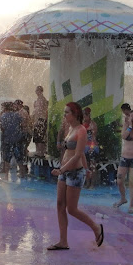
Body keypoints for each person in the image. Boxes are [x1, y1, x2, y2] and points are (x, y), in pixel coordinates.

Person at [48, 102, 103, 250]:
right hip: (65, 172)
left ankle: (96, 227)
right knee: (60, 205)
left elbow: (78, 154)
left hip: (74, 173)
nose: (64, 115)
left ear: (75, 114)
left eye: (67, 112)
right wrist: (66, 169)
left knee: (71, 209)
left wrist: (63, 169)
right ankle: (63, 241)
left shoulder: (81, 131)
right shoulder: (70, 128)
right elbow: (77, 153)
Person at [113, 109, 133, 213]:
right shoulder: (126, 125)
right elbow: (123, 136)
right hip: (124, 157)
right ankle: (123, 198)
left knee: (132, 181)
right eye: (131, 116)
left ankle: (131, 205)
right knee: (119, 180)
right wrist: (130, 126)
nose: (132, 118)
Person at [82, 107, 100, 189]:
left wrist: (92, 148)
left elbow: (93, 138)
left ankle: (92, 184)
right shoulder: (82, 124)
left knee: (92, 166)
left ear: (88, 115)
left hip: (92, 146)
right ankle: (87, 182)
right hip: (85, 147)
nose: (83, 118)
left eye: (84, 116)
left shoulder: (93, 124)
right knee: (86, 166)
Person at [32, 86, 49, 158]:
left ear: (40, 91)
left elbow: (40, 111)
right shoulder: (39, 99)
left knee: (39, 136)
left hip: (40, 120)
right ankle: (39, 151)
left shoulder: (42, 99)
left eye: (37, 90)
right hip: (39, 119)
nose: (36, 92)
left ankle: (40, 152)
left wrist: (37, 120)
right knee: (37, 136)